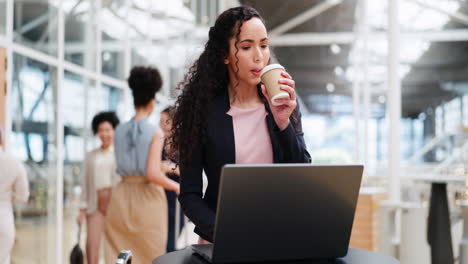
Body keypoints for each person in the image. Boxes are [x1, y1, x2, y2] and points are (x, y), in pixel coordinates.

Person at [170, 6, 311, 244]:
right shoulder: (202, 113)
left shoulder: (283, 105)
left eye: (264, 45)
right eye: (246, 47)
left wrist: (283, 122)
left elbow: (302, 173)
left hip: (279, 235)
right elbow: (190, 195)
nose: (259, 56)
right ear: (225, 55)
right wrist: (223, 234)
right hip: (222, 241)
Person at [105, 66, 180, 263]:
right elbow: (152, 174)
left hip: (120, 196)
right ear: (152, 101)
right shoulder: (155, 132)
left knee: (119, 254)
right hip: (148, 199)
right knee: (150, 255)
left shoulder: (119, 130)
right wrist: (177, 186)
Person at [77, 111, 120, 264]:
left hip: (114, 203)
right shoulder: (90, 156)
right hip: (94, 203)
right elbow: (85, 183)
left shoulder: (120, 154)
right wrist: (82, 209)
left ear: (114, 130)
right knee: (92, 244)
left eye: (108, 130)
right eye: (101, 130)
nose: (104, 134)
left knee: (113, 244)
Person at [0, 126, 29, 264]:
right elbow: (23, 196)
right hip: (4, 220)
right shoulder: (14, 163)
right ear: (2, 138)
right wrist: (8, 198)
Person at [160, 106, 184, 252]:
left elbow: (191, 171)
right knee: (161, 240)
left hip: (177, 197)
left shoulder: (185, 143)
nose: (162, 125)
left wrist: (171, 167)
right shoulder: (159, 143)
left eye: (166, 121)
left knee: (171, 241)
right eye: (160, 121)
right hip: (160, 196)